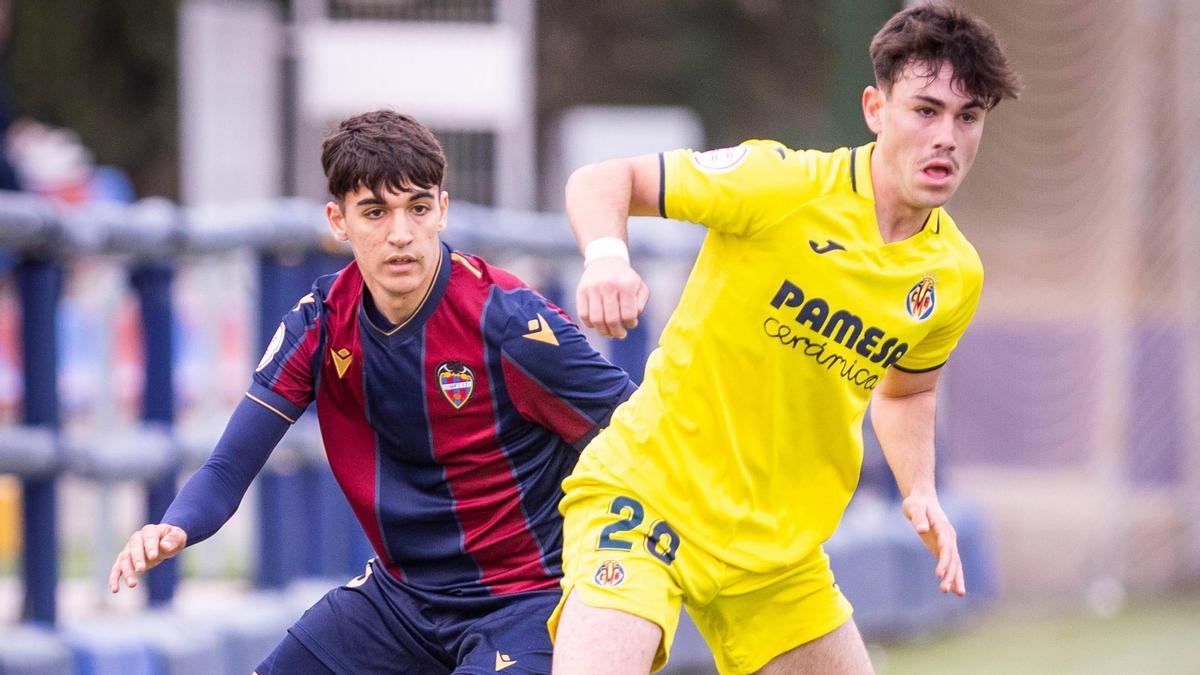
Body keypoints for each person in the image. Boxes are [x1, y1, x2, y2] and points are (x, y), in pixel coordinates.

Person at [548, 4, 1020, 674]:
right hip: (646, 501)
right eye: (925, 110)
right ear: (874, 109)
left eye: (967, 117)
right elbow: (601, 179)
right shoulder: (780, 184)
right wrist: (605, 257)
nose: (947, 136)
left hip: (777, 555)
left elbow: (907, 391)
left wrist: (919, 488)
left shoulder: (953, 274)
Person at [109, 110, 635, 674]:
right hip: (401, 601)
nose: (401, 233)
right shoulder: (320, 323)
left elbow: (644, 432)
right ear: (338, 220)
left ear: (443, 210)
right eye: (375, 212)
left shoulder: (509, 321)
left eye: (418, 207)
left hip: (526, 602)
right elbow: (228, 467)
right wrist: (175, 526)